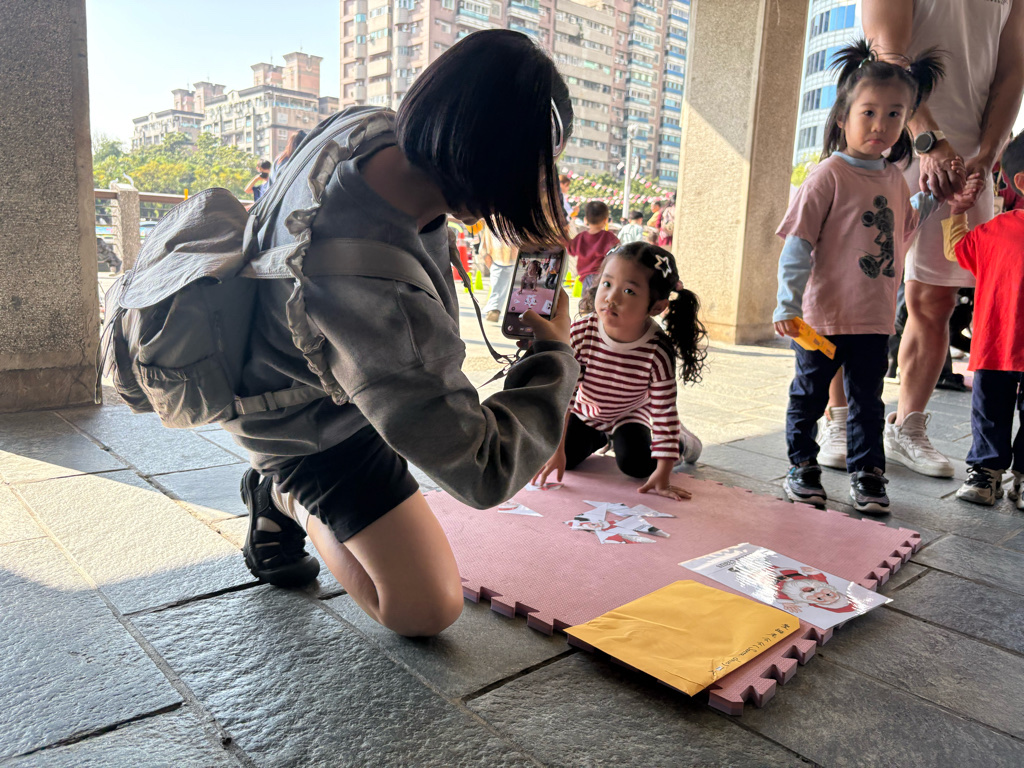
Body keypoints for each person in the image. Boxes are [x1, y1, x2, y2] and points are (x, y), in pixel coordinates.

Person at [229, 30, 580, 638]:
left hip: (311, 365)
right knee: (426, 608)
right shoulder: (377, 294)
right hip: (302, 419)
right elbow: (482, 468)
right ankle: (283, 495)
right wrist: (555, 355)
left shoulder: (365, 128)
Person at [816, 0, 1024, 479]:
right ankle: (839, 419)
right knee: (845, 292)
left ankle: (906, 426)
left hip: (967, 158)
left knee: (936, 300)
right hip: (887, 138)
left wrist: (987, 154)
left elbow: (1012, 71)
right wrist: (930, 140)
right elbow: (888, 51)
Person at [774, 41, 945, 515]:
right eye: (868, 112)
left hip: (873, 319)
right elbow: (798, 244)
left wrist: (933, 197)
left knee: (868, 400)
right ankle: (802, 465)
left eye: (894, 115)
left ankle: (868, 472)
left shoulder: (893, 177)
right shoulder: (827, 176)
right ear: (843, 116)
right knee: (810, 396)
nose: (880, 125)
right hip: (821, 319)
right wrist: (787, 303)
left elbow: (903, 227)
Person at [533, 242, 707, 500]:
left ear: (657, 306)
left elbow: (664, 412)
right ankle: (602, 437)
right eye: (607, 284)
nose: (611, 298)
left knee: (638, 466)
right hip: (587, 412)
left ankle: (683, 442)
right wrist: (557, 451)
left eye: (629, 291)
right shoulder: (581, 333)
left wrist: (664, 472)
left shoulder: (658, 350)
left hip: (630, 414)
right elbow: (564, 396)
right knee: (563, 458)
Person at [945, 133, 1024, 509]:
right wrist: (957, 211)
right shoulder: (997, 230)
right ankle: (985, 472)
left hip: (997, 344)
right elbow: (957, 248)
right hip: (996, 345)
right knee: (989, 410)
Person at [568, 200, 619, 293]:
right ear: (605, 220)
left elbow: (571, 250)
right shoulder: (609, 237)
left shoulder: (581, 237)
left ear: (586, 219)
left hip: (585, 277)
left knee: (587, 300)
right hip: (603, 276)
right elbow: (619, 251)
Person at [478, 225, 518, 323]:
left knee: (498, 284)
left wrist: (485, 255)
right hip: (512, 256)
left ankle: (494, 309)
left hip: (500, 257)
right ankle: (495, 309)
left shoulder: (492, 220)